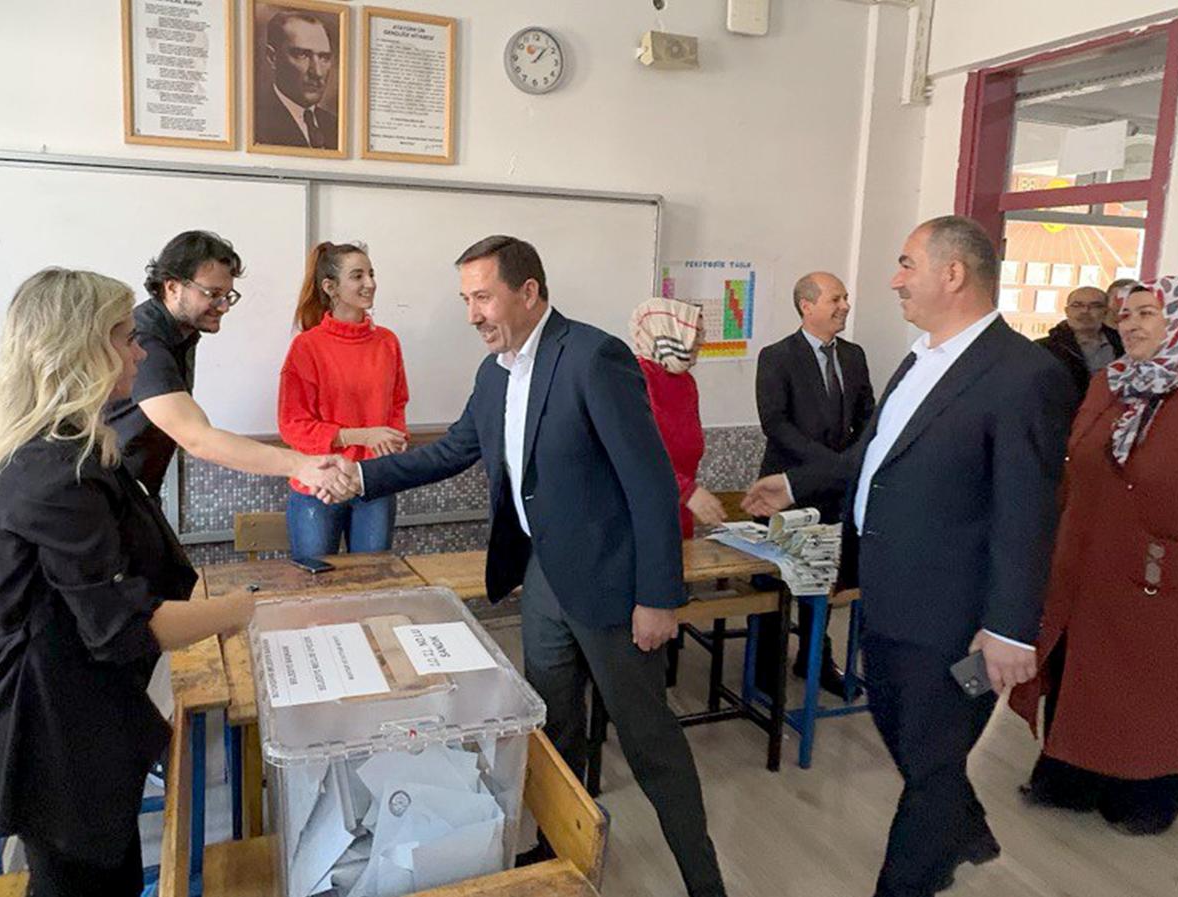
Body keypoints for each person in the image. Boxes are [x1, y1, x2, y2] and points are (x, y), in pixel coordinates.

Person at [333, 236, 727, 897]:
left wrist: (659, 596)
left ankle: (705, 883)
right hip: (544, 579)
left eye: (483, 298)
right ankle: (556, 857)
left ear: (529, 292)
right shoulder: (495, 375)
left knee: (649, 743)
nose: (472, 314)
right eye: (466, 300)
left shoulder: (593, 358)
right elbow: (451, 452)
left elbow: (651, 482)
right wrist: (360, 476)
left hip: (612, 585)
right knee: (551, 730)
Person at [744, 216, 1076, 897]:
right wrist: (796, 483)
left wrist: (1011, 627)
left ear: (952, 274)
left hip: (960, 618)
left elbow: (1028, 509)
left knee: (931, 762)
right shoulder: (921, 357)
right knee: (904, 732)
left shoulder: (1024, 374)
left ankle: (913, 875)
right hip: (887, 597)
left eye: (906, 264)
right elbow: (875, 456)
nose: (894, 280)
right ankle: (967, 830)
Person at [0, 269, 256, 896]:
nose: (139, 351)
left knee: (110, 870)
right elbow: (125, 626)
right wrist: (242, 610)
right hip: (54, 728)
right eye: (125, 337)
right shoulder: (56, 471)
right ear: (80, 350)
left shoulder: (73, 447)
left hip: (84, 710)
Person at [1010, 277, 1178, 835]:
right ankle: (1070, 782)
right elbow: (1074, 471)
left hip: (1171, 590)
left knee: (1156, 697)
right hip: (1088, 579)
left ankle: (1144, 800)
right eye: (1126, 314)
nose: (1130, 324)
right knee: (1082, 682)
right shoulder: (1111, 385)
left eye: (1147, 313)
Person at [104, 230, 343, 501]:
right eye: (213, 294)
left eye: (228, 296)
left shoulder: (181, 333)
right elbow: (197, 438)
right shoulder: (146, 339)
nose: (223, 306)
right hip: (107, 492)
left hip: (134, 491)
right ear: (172, 287)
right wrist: (301, 466)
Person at [753, 272, 875, 696]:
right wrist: (832, 464)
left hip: (835, 494)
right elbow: (775, 424)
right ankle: (765, 667)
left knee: (821, 581)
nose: (845, 306)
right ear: (807, 306)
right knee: (778, 580)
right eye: (835, 299)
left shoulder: (854, 356)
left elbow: (868, 415)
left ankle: (815, 659)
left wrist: (850, 462)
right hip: (788, 489)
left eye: (845, 298)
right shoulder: (777, 356)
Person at [279, 241, 409, 556]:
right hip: (318, 484)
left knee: (372, 578)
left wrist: (394, 440)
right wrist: (363, 436)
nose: (370, 283)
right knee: (315, 580)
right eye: (358, 276)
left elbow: (397, 404)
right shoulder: (307, 347)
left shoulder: (387, 342)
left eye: (371, 274)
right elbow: (292, 425)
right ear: (330, 287)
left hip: (373, 484)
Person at [629, 297, 725, 538]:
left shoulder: (686, 382)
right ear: (667, 332)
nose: (702, 342)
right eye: (695, 333)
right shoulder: (635, 378)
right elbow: (637, 455)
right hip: (643, 511)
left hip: (679, 509)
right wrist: (687, 490)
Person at [253, 9, 339, 149]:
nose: (317, 72)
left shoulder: (335, 126)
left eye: (324, 58)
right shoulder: (256, 122)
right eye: (302, 55)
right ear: (272, 57)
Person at [1037, 285, 1125, 400]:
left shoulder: (1124, 345)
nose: (1085, 311)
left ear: (1105, 312)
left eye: (1095, 306)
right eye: (1077, 305)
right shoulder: (1043, 349)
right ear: (1067, 311)